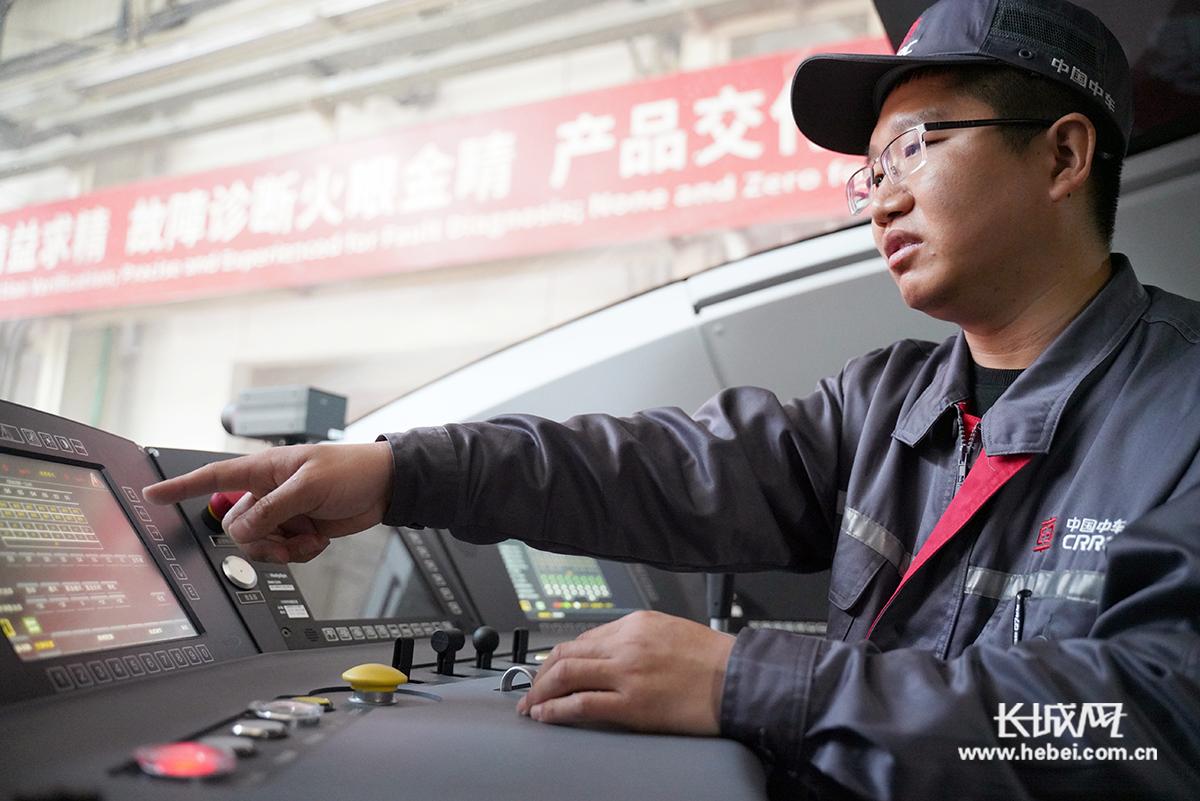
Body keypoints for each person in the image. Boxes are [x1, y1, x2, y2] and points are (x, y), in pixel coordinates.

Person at [144, 0, 1200, 797]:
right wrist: (392, 472)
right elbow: (658, 468)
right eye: (869, 170)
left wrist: (752, 683)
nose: (880, 197)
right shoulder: (888, 403)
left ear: (1064, 155)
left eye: (914, 148)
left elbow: (1147, 723)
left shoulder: (1182, 409)